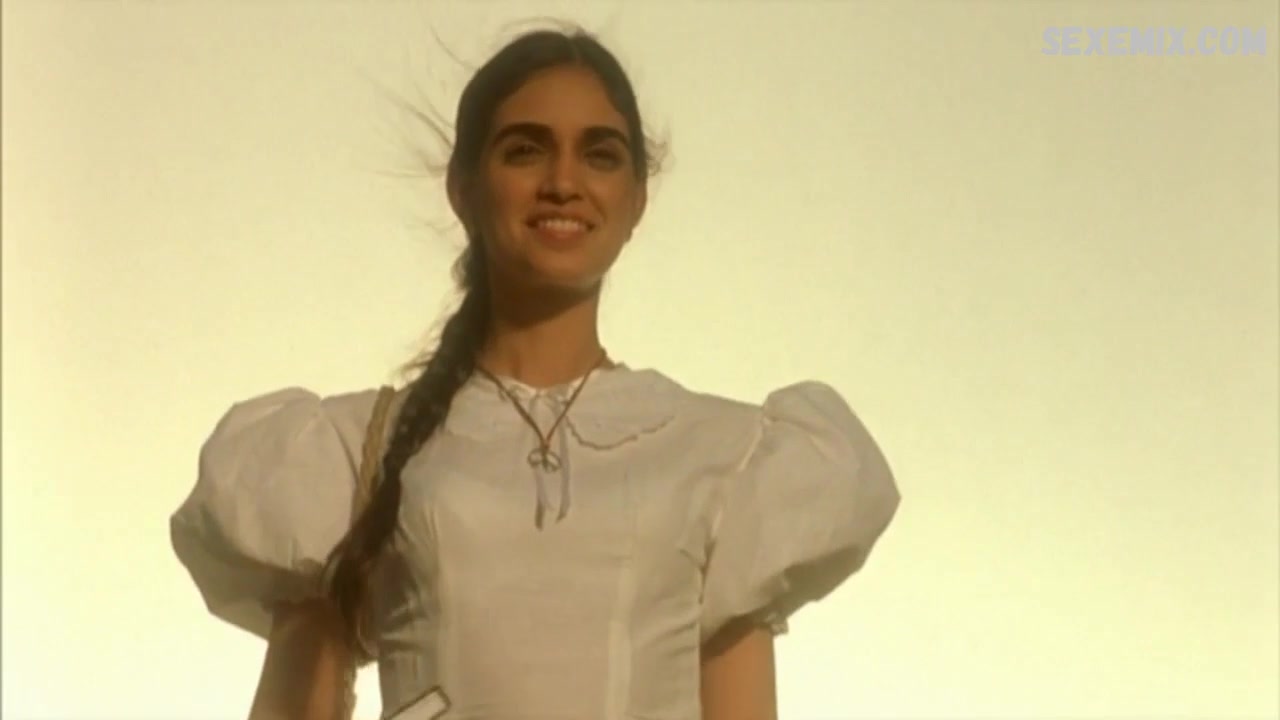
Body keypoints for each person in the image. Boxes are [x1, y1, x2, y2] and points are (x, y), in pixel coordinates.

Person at [170, 24, 901, 720]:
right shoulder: (346, 454)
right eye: (526, 150)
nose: (563, 182)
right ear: (463, 188)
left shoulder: (726, 456)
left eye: (600, 155)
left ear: (637, 199)